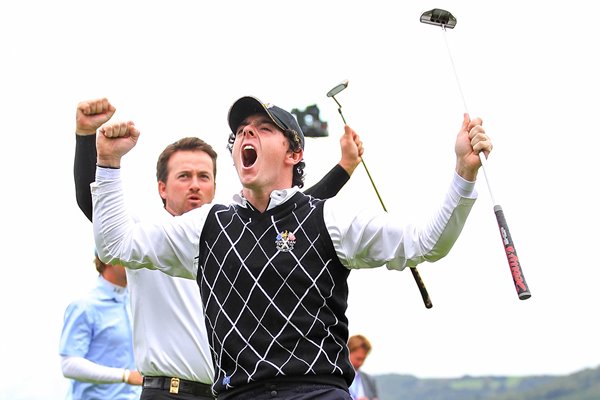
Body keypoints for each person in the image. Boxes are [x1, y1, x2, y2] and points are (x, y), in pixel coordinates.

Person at [92, 95, 492, 399]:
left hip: (316, 391)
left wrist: (463, 173)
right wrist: (107, 163)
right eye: (241, 131)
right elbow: (114, 244)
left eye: (263, 128)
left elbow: (427, 243)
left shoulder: (330, 218)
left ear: (294, 152)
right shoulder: (206, 226)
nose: (247, 134)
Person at [74, 97, 364, 399]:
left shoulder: (230, 239)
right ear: (162, 187)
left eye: (204, 177)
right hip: (168, 391)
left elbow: (295, 221)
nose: (195, 185)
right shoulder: (145, 238)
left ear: (215, 185)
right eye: (184, 176)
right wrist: (86, 137)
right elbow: (93, 205)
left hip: (226, 393)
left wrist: (344, 168)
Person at [59, 255, 143, 400]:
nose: (134, 262)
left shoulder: (135, 303)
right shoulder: (84, 306)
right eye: (127, 256)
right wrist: (125, 376)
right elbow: (69, 364)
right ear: (106, 258)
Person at [348, 335, 379, 400]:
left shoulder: (370, 380)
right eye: (358, 359)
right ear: (348, 352)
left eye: (363, 359)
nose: (360, 363)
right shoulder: (336, 377)